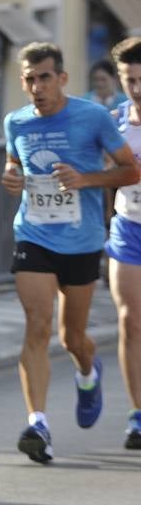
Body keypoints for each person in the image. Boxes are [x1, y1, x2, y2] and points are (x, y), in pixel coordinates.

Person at [1, 42, 138, 464]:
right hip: (34, 234)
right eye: (29, 79)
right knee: (37, 325)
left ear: (61, 78)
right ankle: (38, 423)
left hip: (81, 240)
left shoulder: (92, 117)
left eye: (44, 77)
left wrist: (86, 178)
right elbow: (14, 164)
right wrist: (11, 176)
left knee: (73, 337)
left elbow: (130, 169)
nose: (37, 86)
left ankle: (86, 372)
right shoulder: (16, 122)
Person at [104, 37, 141, 449]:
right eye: (130, 79)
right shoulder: (113, 122)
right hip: (129, 226)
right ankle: (138, 414)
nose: (137, 88)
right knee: (131, 322)